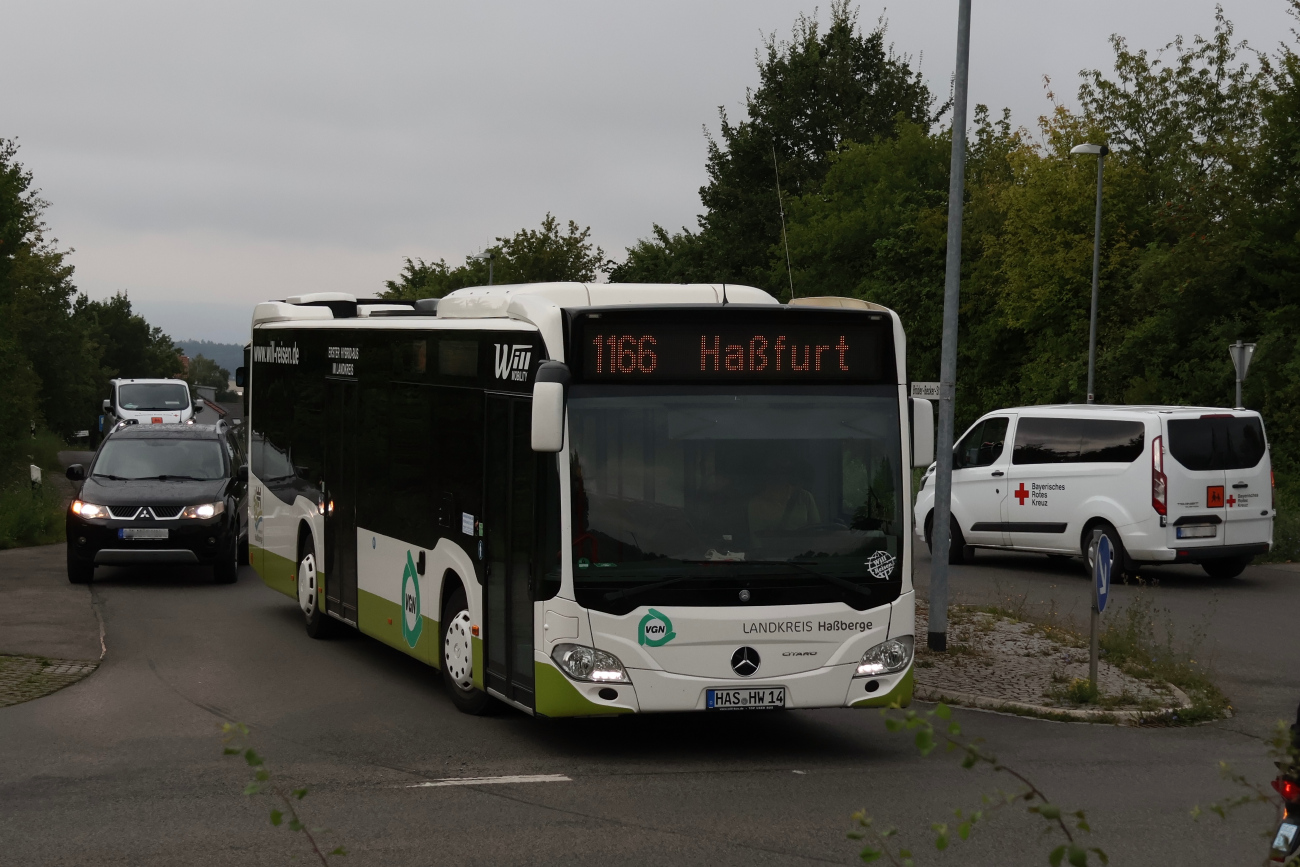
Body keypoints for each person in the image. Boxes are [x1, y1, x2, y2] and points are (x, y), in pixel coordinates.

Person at [748, 456, 819, 535]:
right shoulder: (756, 503)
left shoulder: (805, 497)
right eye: (776, 469)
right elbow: (757, 542)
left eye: (785, 470)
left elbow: (816, 531)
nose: (780, 474)